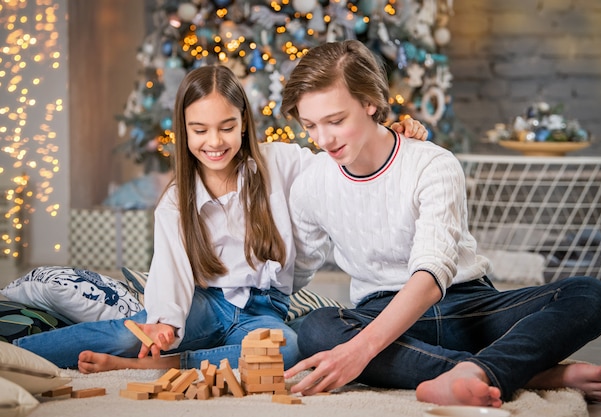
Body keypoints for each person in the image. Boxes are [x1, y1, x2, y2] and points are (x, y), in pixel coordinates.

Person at [13, 64, 428, 373]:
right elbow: (170, 273)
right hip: (204, 305)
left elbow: (339, 162)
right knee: (129, 333)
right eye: (200, 130)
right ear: (185, 131)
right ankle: (14, 355)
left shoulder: (280, 163)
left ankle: (167, 366)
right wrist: (163, 323)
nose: (214, 142)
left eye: (227, 127)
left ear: (244, 124)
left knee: (287, 349)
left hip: (264, 310)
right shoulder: (177, 202)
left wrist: (386, 134)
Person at [279, 39, 601, 408]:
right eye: (310, 124)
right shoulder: (311, 184)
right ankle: (519, 373)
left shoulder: (432, 163)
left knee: (590, 295)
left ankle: (468, 369)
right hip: (381, 314)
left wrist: (358, 352)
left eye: (336, 120)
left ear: (370, 102)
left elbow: (430, 276)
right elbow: (293, 272)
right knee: (318, 329)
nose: (323, 139)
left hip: (468, 308)